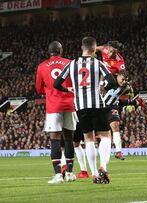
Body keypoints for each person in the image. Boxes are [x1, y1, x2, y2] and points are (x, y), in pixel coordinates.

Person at [54, 36, 117, 184]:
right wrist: (102, 88)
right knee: (106, 136)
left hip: (80, 106)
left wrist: (68, 89)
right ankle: (103, 166)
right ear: (94, 49)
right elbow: (113, 82)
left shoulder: (71, 64)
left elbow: (56, 83)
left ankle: (95, 174)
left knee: (88, 139)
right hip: (97, 104)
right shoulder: (98, 63)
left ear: (82, 48)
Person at [36, 41, 76, 184]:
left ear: (49, 52)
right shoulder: (71, 63)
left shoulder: (41, 66)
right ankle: (70, 173)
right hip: (69, 103)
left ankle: (58, 175)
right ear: (61, 50)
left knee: (55, 138)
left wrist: (50, 91)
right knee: (69, 138)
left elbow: (39, 89)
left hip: (54, 105)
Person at [97, 42, 126, 159]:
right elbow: (92, 49)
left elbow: (121, 77)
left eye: (114, 52)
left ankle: (119, 151)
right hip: (100, 84)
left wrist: (121, 84)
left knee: (115, 125)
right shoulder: (103, 49)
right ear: (107, 48)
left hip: (112, 86)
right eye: (110, 51)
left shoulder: (120, 62)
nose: (110, 53)